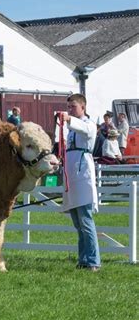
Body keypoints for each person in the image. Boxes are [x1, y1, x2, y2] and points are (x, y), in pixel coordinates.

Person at [60, 94, 100, 272]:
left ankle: (93, 260)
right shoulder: (72, 129)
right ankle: (83, 259)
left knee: (86, 220)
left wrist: (69, 119)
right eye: (68, 107)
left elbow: (86, 129)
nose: (70, 110)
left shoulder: (89, 124)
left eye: (73, 107)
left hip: (83, 174)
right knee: (78, 222)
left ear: (83, 107)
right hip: (72, 175)